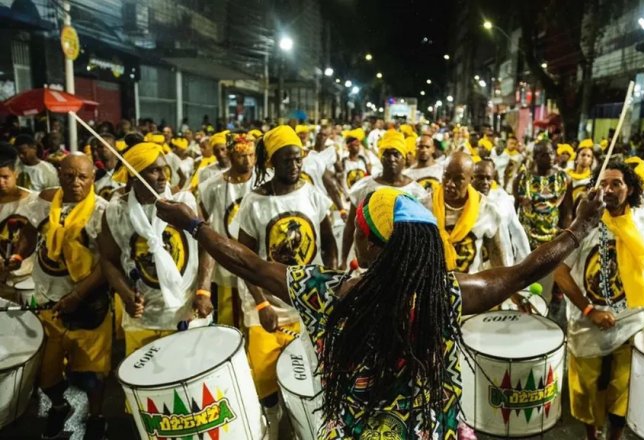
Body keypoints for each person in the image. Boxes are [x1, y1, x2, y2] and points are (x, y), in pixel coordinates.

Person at [155, 178, 604, 438]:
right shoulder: (444, 294)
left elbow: (248, 263)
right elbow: (523, 271)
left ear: (366, 245)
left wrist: (193, 223)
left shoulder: (323, 291)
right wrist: (580, 226)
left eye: (358, 228)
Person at [554, 161, 644, 440]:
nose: (608, 189)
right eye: (603, 184)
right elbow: (560, 272)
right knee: (586, 389)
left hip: (631, 318)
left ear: (629, 188)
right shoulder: (583, 224)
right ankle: (591, 435)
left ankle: (614, 437)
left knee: (624, 387)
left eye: (616, 183)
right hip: (587, 322)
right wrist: (589, 309)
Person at [235, 125, 338, 438]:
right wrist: (262, 302)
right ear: (271, 163)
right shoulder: (254, 202)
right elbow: (244, 258)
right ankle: (271, 427)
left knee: (305, 377)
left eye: (298, 159)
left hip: (307, 305)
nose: (294, 166)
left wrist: (328, 283)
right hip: (265, 307)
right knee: (266, 382)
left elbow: (330, 243)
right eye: (286, 161)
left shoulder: (313, 194)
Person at [15, 154, 111, 439]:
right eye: (69, 176)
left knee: (92, 373)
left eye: (83, 177)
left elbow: (108, 262)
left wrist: (78, 296)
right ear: (59, 174)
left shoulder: (103, 211)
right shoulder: (44, 201)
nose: (76, 182)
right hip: (45, 301)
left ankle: (96, 419)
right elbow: (29, 232)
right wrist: (19, 254)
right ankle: (59, 406)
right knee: (45, 373)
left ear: (93, 178)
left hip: (89, 304)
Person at [97, 142, 214, 359]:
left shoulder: (183, 201)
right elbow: (108, 260)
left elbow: (207, 246)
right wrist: (126, 294)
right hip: (142, 320)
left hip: (186, 313)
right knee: (145, 389)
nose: (163, 177)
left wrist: (203, 291)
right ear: (133, 177)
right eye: (154, 170)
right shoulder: (115, 211)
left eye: (164, 169)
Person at [341, 129, 428, 265]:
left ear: (404, 158)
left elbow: (422, 234)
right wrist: (343, 259)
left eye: (396, 154)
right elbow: (350, 226)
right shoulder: (364, 187)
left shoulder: (417, 193)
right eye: (386, 154)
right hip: (366, 262)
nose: (391, 159)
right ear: (380, 157)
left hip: (402, 263)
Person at [198, 134, 260, 327]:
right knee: (229, 322)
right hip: (225, 263)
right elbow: (202, 226)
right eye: (242, 156)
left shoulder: (263, 182)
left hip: (256, 262)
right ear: (231, 156)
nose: (248, 161)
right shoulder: (211, 186)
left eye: (251, 155)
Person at [513, 140, 571, 250]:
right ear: (535, 157)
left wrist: (564, 238)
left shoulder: (563, 178)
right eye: (544, 155)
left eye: (551, 153)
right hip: (525, 237)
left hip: (552, 237)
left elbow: (567, 211)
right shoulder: (522, 178)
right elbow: (514, 209)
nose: (550, 157)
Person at [472, 159, 531, 266]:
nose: (485, 182)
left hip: (504, 262)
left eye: (488, 178)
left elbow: (517, 231)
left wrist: (526, 262)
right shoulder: (462, 203)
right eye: (480, 177)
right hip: (474, 267)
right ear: (471, 178)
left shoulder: (502, 199)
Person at [0, 142, 37, 283]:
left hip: (29, 279)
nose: (0, 182)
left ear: (16, 174)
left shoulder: (34, 201)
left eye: (5, 177)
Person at [93, 133, 125, 201]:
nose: (104, 149)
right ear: (97, 150)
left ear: (115, 148)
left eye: (108, 146)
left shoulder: (126, 171)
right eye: (101, 146)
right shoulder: (95, 177)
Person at [566, 141, 595, 208]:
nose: (585, 158)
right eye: (583, 155)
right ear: (576, 158)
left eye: (588, 156)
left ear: (591, 161)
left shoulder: (591, 180)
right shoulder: (566, 175)